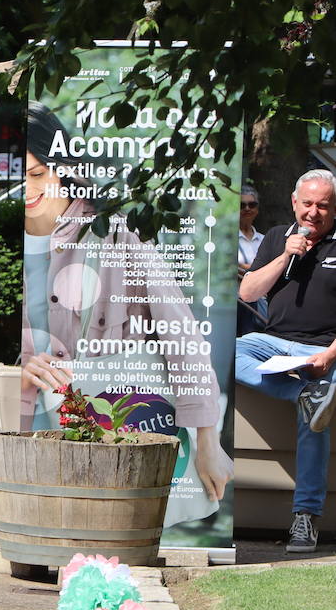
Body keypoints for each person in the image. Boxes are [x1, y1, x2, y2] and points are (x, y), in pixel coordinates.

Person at [19, 102, 231, 527]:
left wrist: (207, 437)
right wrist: (24, 367)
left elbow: (179, 330)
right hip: (35, 425)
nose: (27, 190)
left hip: (120, 415)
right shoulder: (14, 244)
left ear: (60, 167)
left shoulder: (114, 231)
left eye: (37, 173)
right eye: (17, 175)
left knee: (117, 524)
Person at [236, 169, 336, 552]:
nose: (313, 212)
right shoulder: (278, 236)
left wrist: (328, 356)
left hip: (323, 349)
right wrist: (284, 255)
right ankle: (302, 395)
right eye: (307, 203)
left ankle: (305, 517)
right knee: (228, 352)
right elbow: (248, 291)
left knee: (315, 422)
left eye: (323, 206)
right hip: (272, 342)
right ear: (295, 203)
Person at [237, 186, 267, 335]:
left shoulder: (264, 240)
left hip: (259, 303)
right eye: (242, 205)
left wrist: (244, 267)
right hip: (236, 304)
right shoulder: (228, 239)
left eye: (252, 204)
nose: (247, 209)